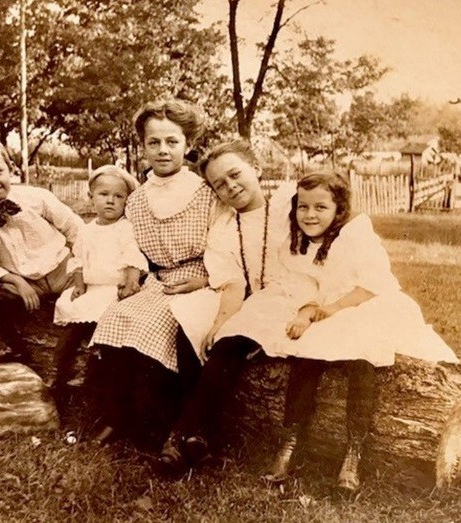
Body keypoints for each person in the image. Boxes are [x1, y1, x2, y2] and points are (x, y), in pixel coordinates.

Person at [259, 171, 458, 495]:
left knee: (360, 350)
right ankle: (292, 443)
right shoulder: (299, 244)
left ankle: (354, 451)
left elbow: (373, 284)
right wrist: (307, 313)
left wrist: (335, 309)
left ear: (339, 210)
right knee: (305, 350)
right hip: (331, 309)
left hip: (368, 304)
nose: (310, 215)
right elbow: (305, 286)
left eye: (320, 207)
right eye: (303, 207)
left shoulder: (355, 234)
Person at [156, 140, 319, 474]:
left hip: (296, 292)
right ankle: (201, 435)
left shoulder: (292, 206)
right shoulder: (225, 227)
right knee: (192, 326)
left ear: (255, 169)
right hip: (252, 299)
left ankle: (181, 432)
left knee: (229, 343)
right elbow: (232, 283)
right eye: (220, 184)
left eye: (235, 174)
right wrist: (219, 322)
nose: (230, 186)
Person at [89, 99, 220, 445]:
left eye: (172, 142)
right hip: (159, 280)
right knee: (117, 316)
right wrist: (134, 274)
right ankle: (118, 416)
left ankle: (168, 425)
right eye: (154, 142)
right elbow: (131, 247)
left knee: (162, 325)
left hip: (202, 281)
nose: (163, 150)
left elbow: (226, 249)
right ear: (143, 146)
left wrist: (208, 278)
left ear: (187, 145)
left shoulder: (206, 193)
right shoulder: (136, 199)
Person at [0, 137, 84, 363]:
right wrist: (17, 281)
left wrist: (82, 267)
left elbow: (75, 229)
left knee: (98, 296)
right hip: (26, 283)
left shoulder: (37, 197)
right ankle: (15, 346)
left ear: (11, 169)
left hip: (63, 270)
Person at [49, 165, 148, 406]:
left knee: (103, 327)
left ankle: (94, 371)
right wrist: (79, 285)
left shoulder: (126, 228)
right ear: (91, 198)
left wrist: (131, 281)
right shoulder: (87, 230)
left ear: (127, 201)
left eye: (118, 196)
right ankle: (57, 371)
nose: (111, 201)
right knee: (73, 322)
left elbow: (133, 257)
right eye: (104, 195)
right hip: (93, 290)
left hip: (114, 290)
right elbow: (79, 259)